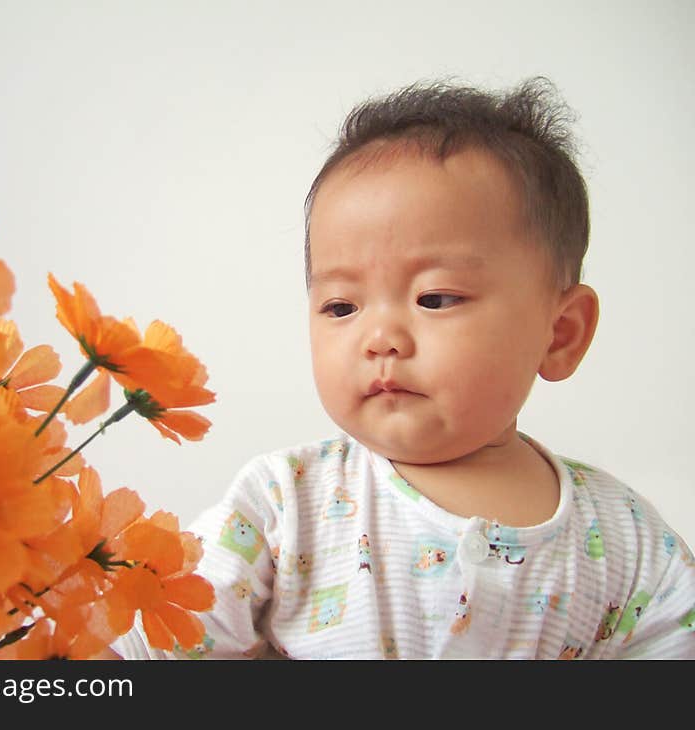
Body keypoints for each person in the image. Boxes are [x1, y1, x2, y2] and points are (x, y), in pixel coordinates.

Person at [112, 77, 695, 659]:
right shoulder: (286, 502)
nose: (380, 338)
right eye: (341, 306)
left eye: (435, 298)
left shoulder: (628, 540)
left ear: (560, 334)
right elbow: (148, 641)